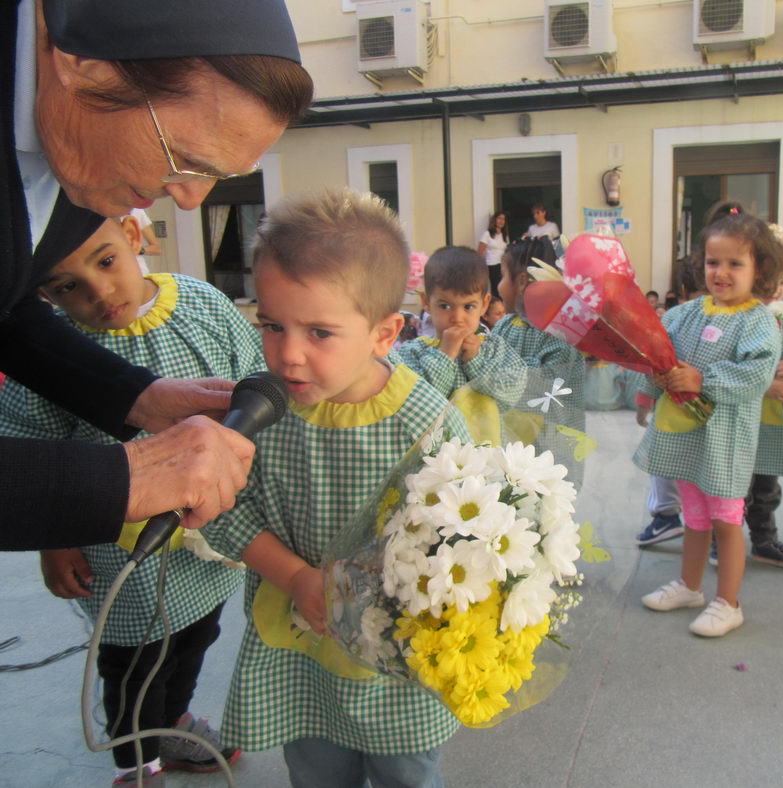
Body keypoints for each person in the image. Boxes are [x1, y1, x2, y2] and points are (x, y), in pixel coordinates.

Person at [3, 0, 314, 550]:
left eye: (221, 174)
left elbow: (11, 307)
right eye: (184, 158)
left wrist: (137, 398)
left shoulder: (90, 159)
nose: (191, 200)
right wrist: (121, 478)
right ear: (85, 61)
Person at [201, 189, 467, 788]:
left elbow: (462, 537)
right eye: (271, 324)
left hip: (396, 656)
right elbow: (224, 509)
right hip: (299, 644)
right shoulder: (263, 410)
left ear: (384, 333)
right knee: (317, 770)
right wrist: (296, 576)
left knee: (407, 773)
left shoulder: (425, 420)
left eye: (319, 332)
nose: (288, 354)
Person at [0, 214, 260, 784]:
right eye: (66, 286)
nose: (98, 292)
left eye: (106, 261)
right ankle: (137, 762)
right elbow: (29, 446)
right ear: (39, 292)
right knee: (134, 660)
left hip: (208, 538)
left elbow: (252, 378)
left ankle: (174, 720)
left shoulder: (203, 304)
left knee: (196, 635)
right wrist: (56, 540)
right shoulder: (46, 357)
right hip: (121, 556)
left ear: (134, 236)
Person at [634, 211, 783, 637]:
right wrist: (655, 378)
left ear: (761, 270)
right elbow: (656, 349)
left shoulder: (759, 322)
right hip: (687, 437)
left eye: (736, 263)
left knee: (726, 518)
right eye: (713, 262)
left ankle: (728, 601)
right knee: (695, 515)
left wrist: (702, 380)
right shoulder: (684, 314)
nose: (721, 272)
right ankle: (690, 585)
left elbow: (755, 375)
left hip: (725, 439)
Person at [722, 223, 783, 569]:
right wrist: (765, 384)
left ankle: (764, 539)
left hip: (771, 422)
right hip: (734, 421)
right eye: (768, 280)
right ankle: (722, 540)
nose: (776, 288)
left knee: (766, 487)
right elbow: (720, 369)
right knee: (731, 486)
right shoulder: (731, 319)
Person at [395, 246, 526, 442]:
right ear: (426, 302)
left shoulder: (494, 347)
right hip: (435, 463)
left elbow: (512, 393)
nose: (457, 317)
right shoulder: (413, 352)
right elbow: (415, 405)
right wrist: (445, 355)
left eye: (468, 306)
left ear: (484, 304)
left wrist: (476, 360)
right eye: (445, 306)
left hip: (488, 460)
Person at [490, 237, 587, 487]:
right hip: (508, 449)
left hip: (548, 456)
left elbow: (545, 395)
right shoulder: (503, 326)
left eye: (502, 276)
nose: (498, 287)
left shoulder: (559, 336)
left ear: (522, 281)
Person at [477, 211, 509, 297]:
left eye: (503, 219)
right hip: (492, 264)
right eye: (499, 218)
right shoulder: (487, 234)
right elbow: (480, 251)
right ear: (494, 220)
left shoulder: (505, 235)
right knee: (497, 288)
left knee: (503, 288)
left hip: (502, 265)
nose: (501, 221)